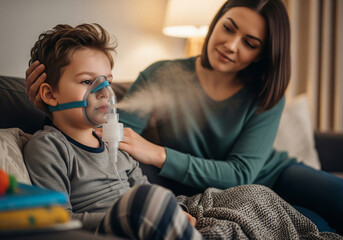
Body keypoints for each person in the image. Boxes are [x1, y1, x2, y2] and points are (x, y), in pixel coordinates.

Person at [25, 0, 343, 235]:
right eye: (229, 28)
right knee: (315, 225)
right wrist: (50, 109)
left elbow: (242, 173)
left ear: (262, 53)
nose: (231, 46)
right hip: (213, 193)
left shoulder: (264, 94)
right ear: (216, 21)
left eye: (249, 43)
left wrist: (158, 153)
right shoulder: (162, 75)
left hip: (270, 174)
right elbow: (101, 134)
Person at [23, 23, 202, 239]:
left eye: (107, 81)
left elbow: (146, 188)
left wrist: (176, 213)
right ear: (50, 95)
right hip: (105, 230)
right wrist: (139, 212)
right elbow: (57, 219)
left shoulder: (115, 141)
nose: (104, 92)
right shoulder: (49, 147)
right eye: (87, 81)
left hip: (142, 223)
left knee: (247, 194)